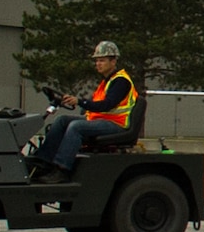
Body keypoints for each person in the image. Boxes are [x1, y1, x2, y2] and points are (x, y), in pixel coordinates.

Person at [28, 41, 138, 182]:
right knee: (62, 121)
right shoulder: (107, 81)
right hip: (101, 121)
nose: (98, 64)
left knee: (76, 127)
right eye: (97, 61)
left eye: (102, 60)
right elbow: (97, 105)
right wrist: (77, 103)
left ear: (113, 61)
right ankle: (43, 161)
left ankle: (61, 170)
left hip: (116, 124)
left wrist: (80, 101)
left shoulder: (121, 81)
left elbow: (106, 105)